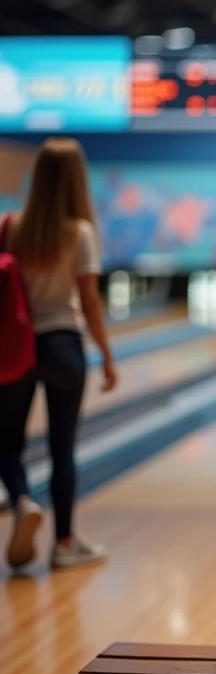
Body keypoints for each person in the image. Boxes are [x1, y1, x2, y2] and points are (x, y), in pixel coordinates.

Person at [0, 138, 117, 570]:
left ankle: (22, 500)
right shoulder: (81, 231)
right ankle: (65, 543)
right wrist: (106, 354)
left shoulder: (11, 226)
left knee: (7, 444)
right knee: (62, 448)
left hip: (20, 347)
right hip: (65, 346)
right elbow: (89, 301)